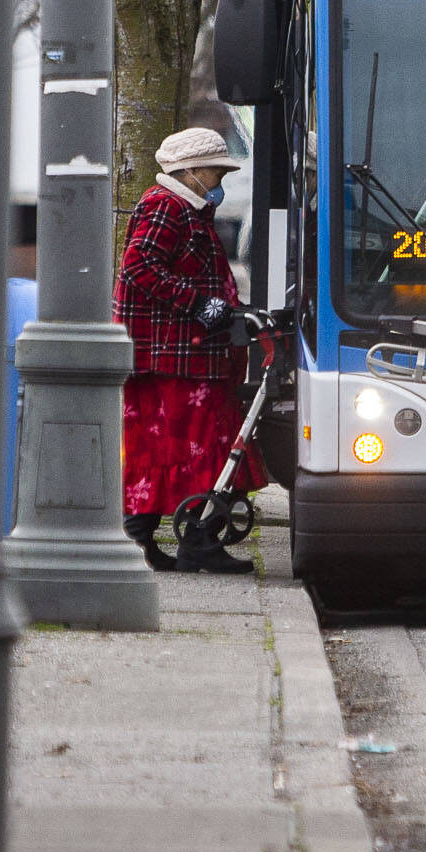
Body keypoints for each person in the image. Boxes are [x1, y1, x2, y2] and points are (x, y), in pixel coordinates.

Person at [115, 127, 265, 574]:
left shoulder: (184, 208)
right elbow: (139, 266)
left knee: (168, 445)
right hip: (173, 354)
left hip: (178, 352)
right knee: (195, 444)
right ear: (193, 170)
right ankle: (193, 539)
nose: (220, 180)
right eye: (217, 171)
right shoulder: (167, 207)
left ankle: (144, 537)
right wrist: (200, 303)